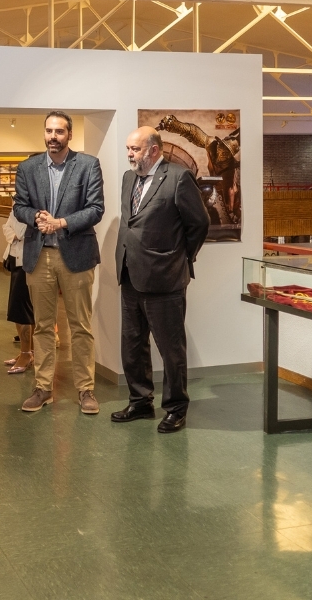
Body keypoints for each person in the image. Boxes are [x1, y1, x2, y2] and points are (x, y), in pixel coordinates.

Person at [111, 127, 211, 433]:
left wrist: (181, 257)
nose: (129, 154)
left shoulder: (178, 178)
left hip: (165, 279)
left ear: (154, 150)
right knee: (132, 344)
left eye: (135, 149)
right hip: (130, 274)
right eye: (128, 148)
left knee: (170, 349)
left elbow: (200, 223)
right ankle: (140, 401)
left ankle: (175, 407)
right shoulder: (130, 178)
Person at [11, 112, 105, 414]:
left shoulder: (88, 165)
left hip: (76, 256)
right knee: (42, 326)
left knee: (80, 326)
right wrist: (36, 217)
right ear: (44, 133)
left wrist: (61, 222)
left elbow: (95, 208)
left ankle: (85, 389)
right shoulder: (28, 167)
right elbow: (20, 205)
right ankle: (43, 388)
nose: (54, 136)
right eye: (49, 131)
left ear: (69, 135)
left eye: (60, 131)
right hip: (39, 257)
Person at [2, 209, 35, 374]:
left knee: (23, 311)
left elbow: (22, 231)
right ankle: (28, 352)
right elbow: (6, 227)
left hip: (27, 260)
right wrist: (13, 230)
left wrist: (15, 228)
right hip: (15, 258)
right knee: (19, 309)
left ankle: (26, 353)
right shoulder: (18, 202)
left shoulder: (32, 202)